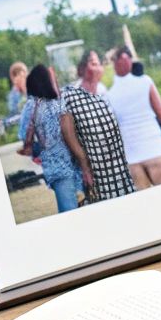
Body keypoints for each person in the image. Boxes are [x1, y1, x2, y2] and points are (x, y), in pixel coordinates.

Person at [62, 49, 134, 203]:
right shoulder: (71, 94)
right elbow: (68, 133)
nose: (98, 67)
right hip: (92, 164)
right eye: (93, 63)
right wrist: (84, 163)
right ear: (82, 69)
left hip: (116, 160)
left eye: (99, 64)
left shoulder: (103, 91)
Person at [21, 65, 92, 215]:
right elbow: (68, 134)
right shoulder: (49, 104)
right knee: (73, 215)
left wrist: (42, 151)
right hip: (66, 168)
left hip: (61, 168)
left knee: (72, 213)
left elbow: (24, 137)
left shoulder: (38, 104)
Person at [105, 46, 161, 189]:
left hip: (130, 150)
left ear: (113, 64)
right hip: (152, 144)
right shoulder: (145, 81)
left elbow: (112, 125)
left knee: (144, 198)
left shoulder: (108, 94)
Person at [0, 61, 28, 135]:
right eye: (24, 73)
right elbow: (13, 114)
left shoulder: (30, 89)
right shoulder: (13, 96)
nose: (26, 76)